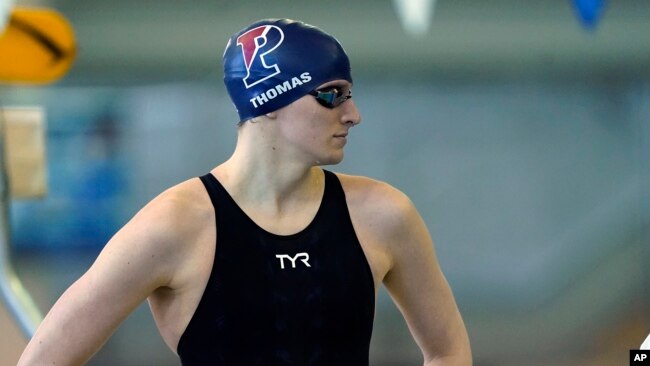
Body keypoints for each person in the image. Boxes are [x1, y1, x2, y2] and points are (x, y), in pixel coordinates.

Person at [17, 18, 472, 366]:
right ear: (270, 101)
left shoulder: (383, 215)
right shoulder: (174, 226)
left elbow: (449, 352)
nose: (353, 113)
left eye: (349, 93)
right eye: (332, 95)